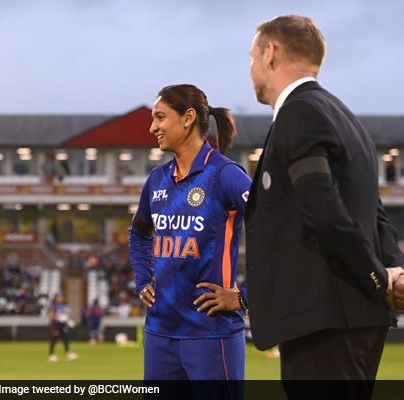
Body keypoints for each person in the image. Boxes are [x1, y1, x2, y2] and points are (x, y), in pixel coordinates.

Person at [244, 15, 404, 398]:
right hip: (355, 317)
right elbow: (373, 211)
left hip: (324, 322)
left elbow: (323, 209)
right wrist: (394, 271)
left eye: (252, 57)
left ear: (270, 53)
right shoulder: (344, 116)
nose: (250, 68)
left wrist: (378, 278)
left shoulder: (298, 112)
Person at [128, 84, 250, 398]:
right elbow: (138, 233)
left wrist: (245, 297)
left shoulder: (224, 174)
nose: (152, 127)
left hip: (211, 334)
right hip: (160, 334)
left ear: (188, 118)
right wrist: (143, 279)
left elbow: (276, 227)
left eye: (160, 117)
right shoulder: (157, 179)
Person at [47, 292, 78, 361]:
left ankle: (68, 353)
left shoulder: (62, 305)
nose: (61, 298)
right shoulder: (53, 305)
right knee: (54, 339)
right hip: (55, 325)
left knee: (65, 339)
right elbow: (52, 315)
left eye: (61, 296)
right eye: (59, 297)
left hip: (62, 325)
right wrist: (59, 318)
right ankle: (51, 354)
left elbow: (64, 314)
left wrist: (68, 320)